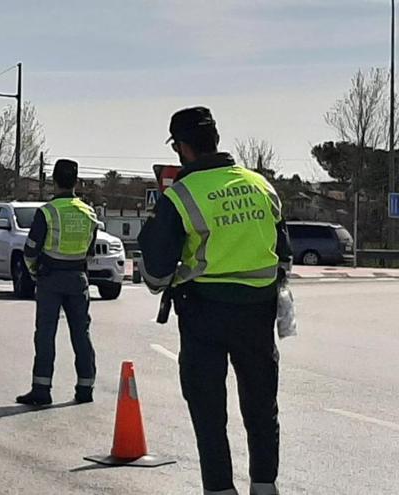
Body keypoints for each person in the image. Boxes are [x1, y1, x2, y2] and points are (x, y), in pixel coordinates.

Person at [138, 107, 291, 495]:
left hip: (203, 312)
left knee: (208, 410)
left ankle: (220, 489)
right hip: (258, 311)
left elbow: (155, 273)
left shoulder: (182, 195)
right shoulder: (261, 185)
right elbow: (283, 252)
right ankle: (265, 486)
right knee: (261, 405)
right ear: (216, 141)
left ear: (182, 148)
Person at [16, 159, 98, 406]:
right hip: (78, 278)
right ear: (76, 181)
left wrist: (33, 272)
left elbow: (30, 250)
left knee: (45, 334)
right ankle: (85, 387)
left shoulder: (47, 212)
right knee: (81, 334)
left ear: (54, 181)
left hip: (50, 278)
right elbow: (91, 251)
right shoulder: (89, 212)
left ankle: (42, 389)